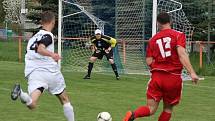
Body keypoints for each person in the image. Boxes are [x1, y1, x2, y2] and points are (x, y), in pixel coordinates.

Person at [123, 12, 199, 121]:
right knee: (168, 109)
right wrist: (192, 72)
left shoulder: (153, 40)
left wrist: (158, 67)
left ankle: (133, 115)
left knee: (151, 108)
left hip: (157, 77)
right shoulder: (178, 35)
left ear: (158, 23)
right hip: (173, 77)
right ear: (170, 21)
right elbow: (182, 54)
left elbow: (148, 61)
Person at [11, 11, 75, 121]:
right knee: (64, 100)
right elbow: (40, 48)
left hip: (35, 73)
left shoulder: (32, 38)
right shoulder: (48, 35)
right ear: (53, 22)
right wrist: (52, 54)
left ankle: (21, 93)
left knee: (31, 103)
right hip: (50, 72)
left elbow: (31, 53)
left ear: (41, 22)